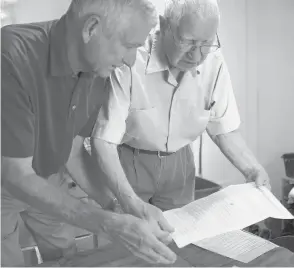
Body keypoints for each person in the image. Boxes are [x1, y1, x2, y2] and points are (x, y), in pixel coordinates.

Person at [1, 0, 177, 266]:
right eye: (129, 46)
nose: (130, 62)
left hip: (48, 176)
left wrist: (120, 206)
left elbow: (72, 150)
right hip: (6, 181)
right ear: (91, 28)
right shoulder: (10, 55)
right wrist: (107, 225)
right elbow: (14, 174)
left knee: (66, 257)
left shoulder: (97, 69)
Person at [88, 0, 271, 229]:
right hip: (128, 161)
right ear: (164, 26)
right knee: (132, 242)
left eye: (206, 43)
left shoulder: (213, 61)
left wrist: (252, 168)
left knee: (179, 243)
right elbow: (104, 141)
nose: (196, 55)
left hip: (180, 164)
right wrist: (129, 201)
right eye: (188, 41)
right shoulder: (131, 57)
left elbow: (223, 127)